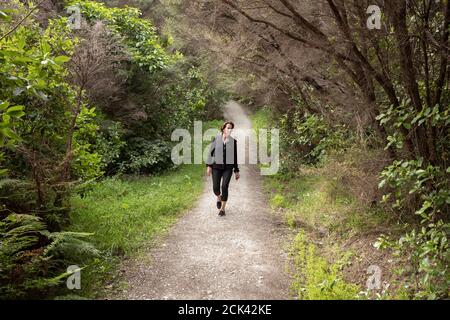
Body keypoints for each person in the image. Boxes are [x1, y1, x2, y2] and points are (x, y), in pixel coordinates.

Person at [206, 121, 240, 216]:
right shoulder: (216, 139)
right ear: (223, 128)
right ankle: (219, 197)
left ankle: (222, 209)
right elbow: (210, 153)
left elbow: (234, 157)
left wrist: (236, 170)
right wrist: (209, 166)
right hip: (216, 166)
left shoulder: (233, 142)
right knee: (216, 188)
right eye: (228, 127)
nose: (229, 129)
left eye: (231, 128)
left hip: (228, 168)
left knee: (224, 186)